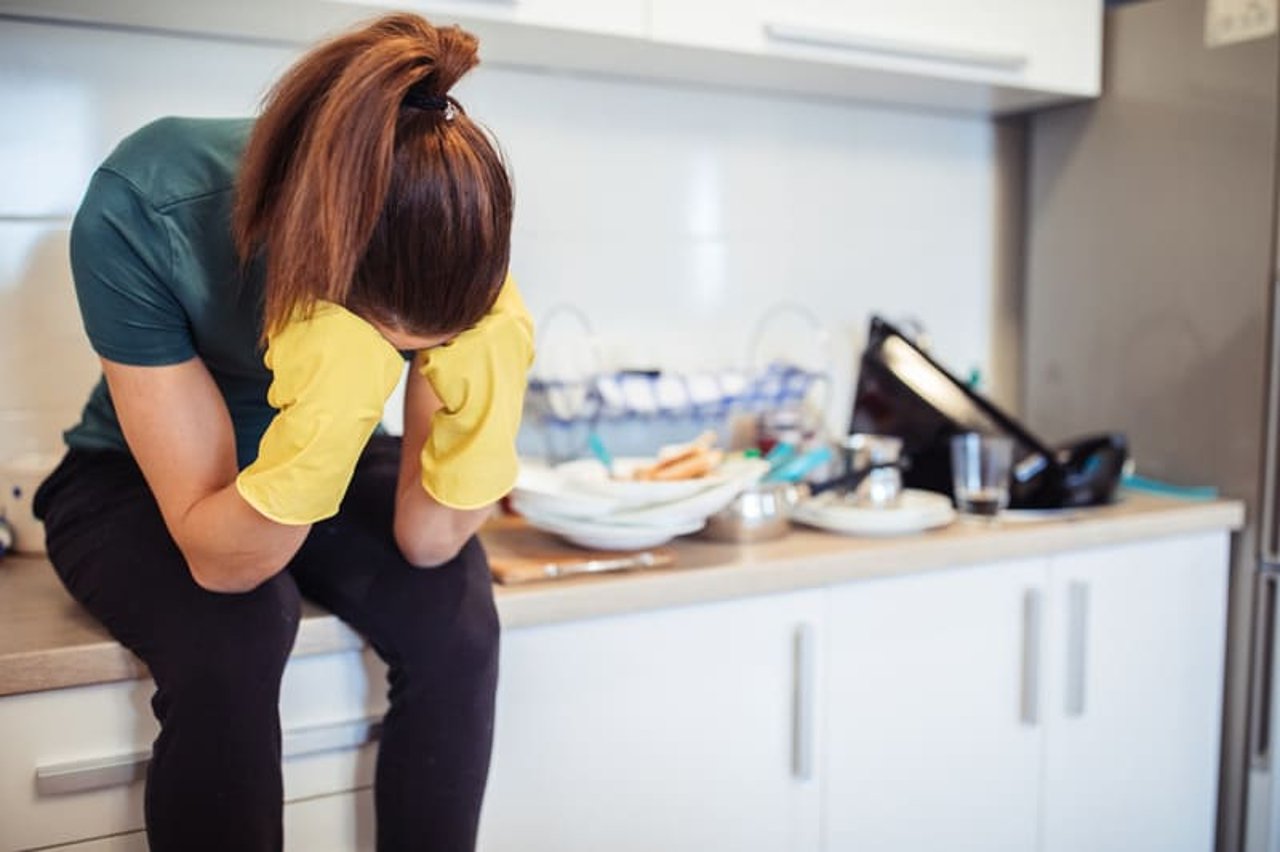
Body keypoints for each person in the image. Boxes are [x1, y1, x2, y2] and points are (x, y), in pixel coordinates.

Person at [32, 13, 532, 852]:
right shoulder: (150, 204)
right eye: (381, 341)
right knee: (234, 630)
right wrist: (332, 409)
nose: (403, 360)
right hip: (134, 477)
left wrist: (483, 417)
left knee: (458, 618)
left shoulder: (445, 223)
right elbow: (228, 563)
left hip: (317, 465)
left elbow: (427, 541)